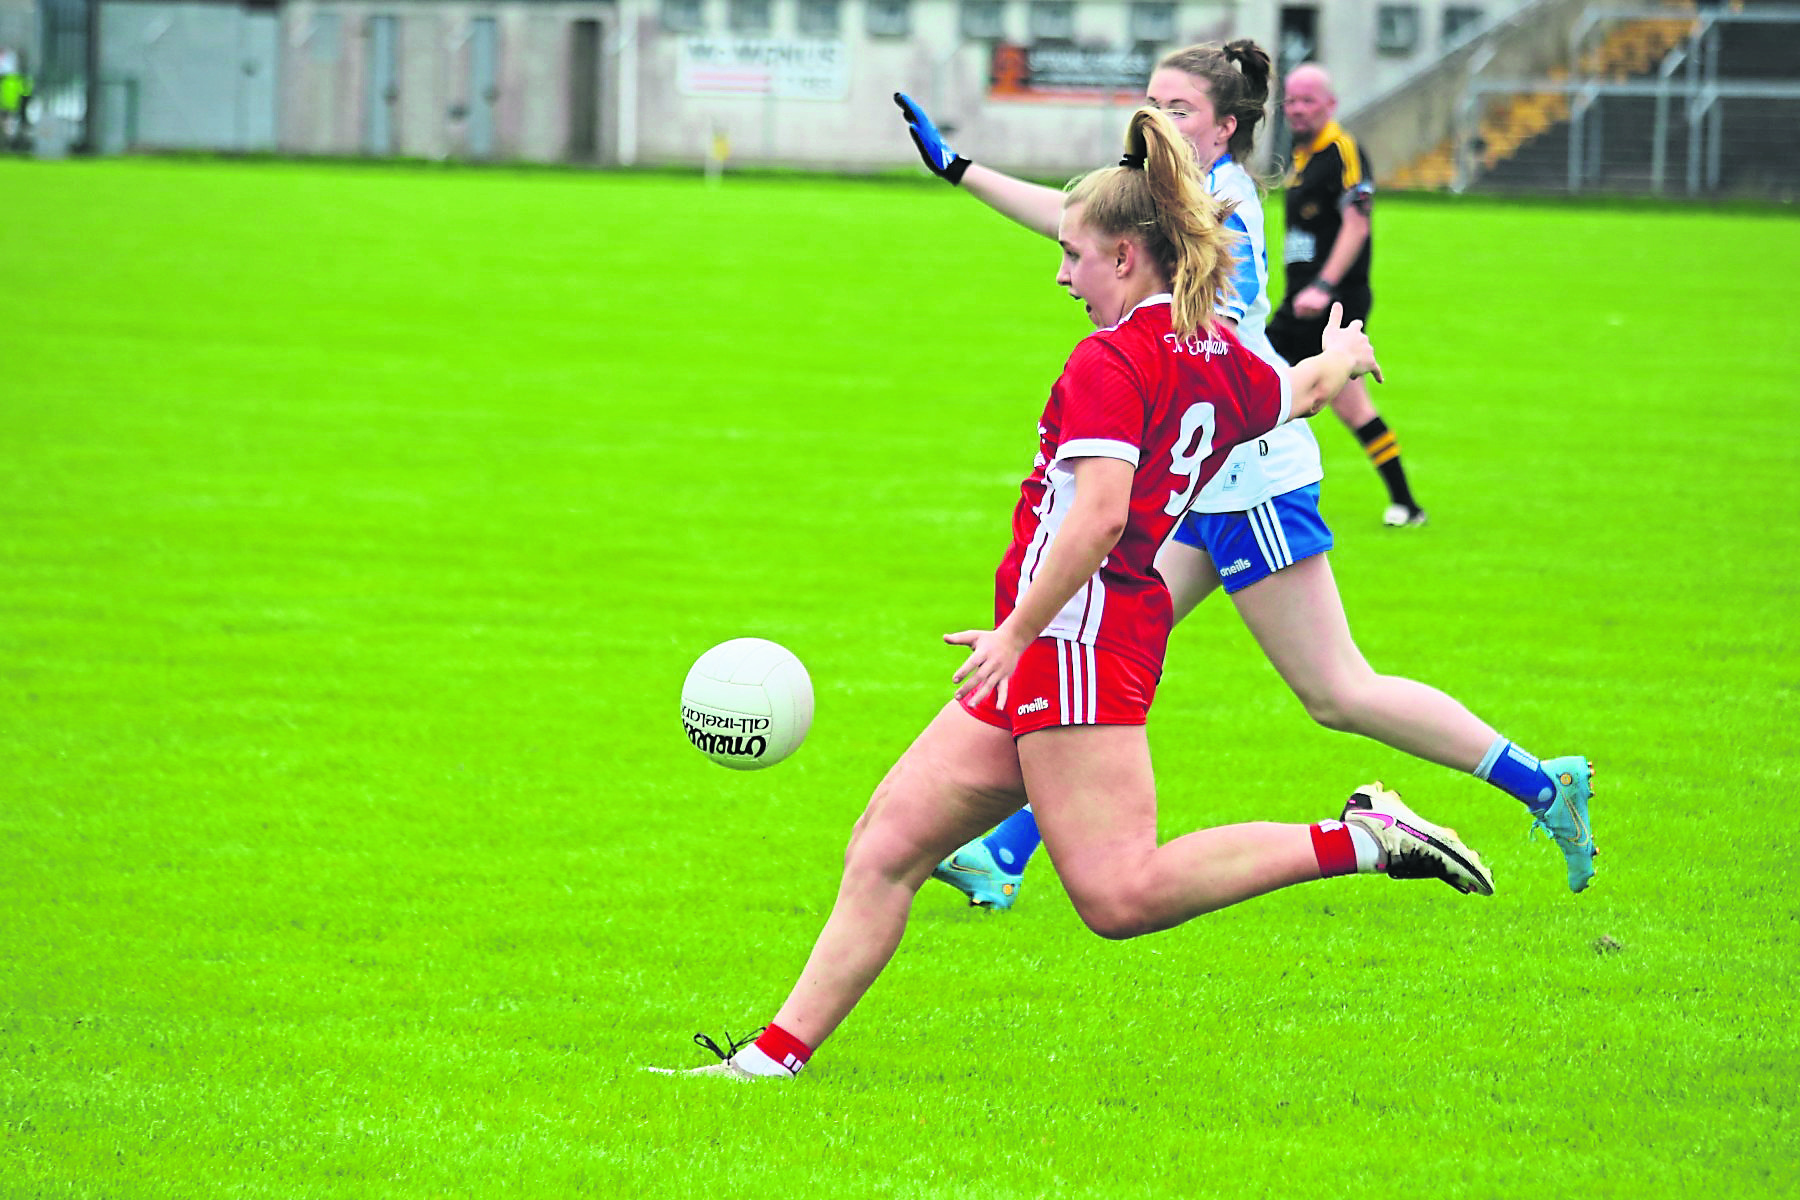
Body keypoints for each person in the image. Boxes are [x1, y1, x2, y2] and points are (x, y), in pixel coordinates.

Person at [651, 107, 1492, 1081]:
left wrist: (1015, 634)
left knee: (1118, 895)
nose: (1061, 274)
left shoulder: (1112, 361)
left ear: (1127, 258)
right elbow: (1290, 396)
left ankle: (1364, 839)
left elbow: (1096, 519)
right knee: (886, 843)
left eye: (1073, 254)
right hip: (1078, 633)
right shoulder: (1215, 353)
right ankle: (769, 1060)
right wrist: (1344, 360)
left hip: (1078, 644)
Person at [892, 44, 1598, 905]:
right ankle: (1008, 852)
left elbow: (1212, 354)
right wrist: (960, 169)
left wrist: (1328, 366)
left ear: (1226, 127)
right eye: (1153, 101)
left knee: (1336, 691)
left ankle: (1541, 783)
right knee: (1104, 644)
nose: (1158, 119)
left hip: (1245, 477)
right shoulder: (1167, 200)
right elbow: (1077, 221)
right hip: (1192, 477)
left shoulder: (1217, 205)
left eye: (1180, 109)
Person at [1268, 62, 1426, 528]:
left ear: (1330, 104)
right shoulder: (1300, 155)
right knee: (1351, 407)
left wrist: (1322, 285)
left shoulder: (1342, 150)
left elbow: (1358, 222)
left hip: (1330, 303)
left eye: (1307, 100)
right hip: (1302, 301)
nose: (1297, 109)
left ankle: (1223, 489)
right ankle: (1407, 504)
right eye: (1291, 100)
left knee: (1249, 381)